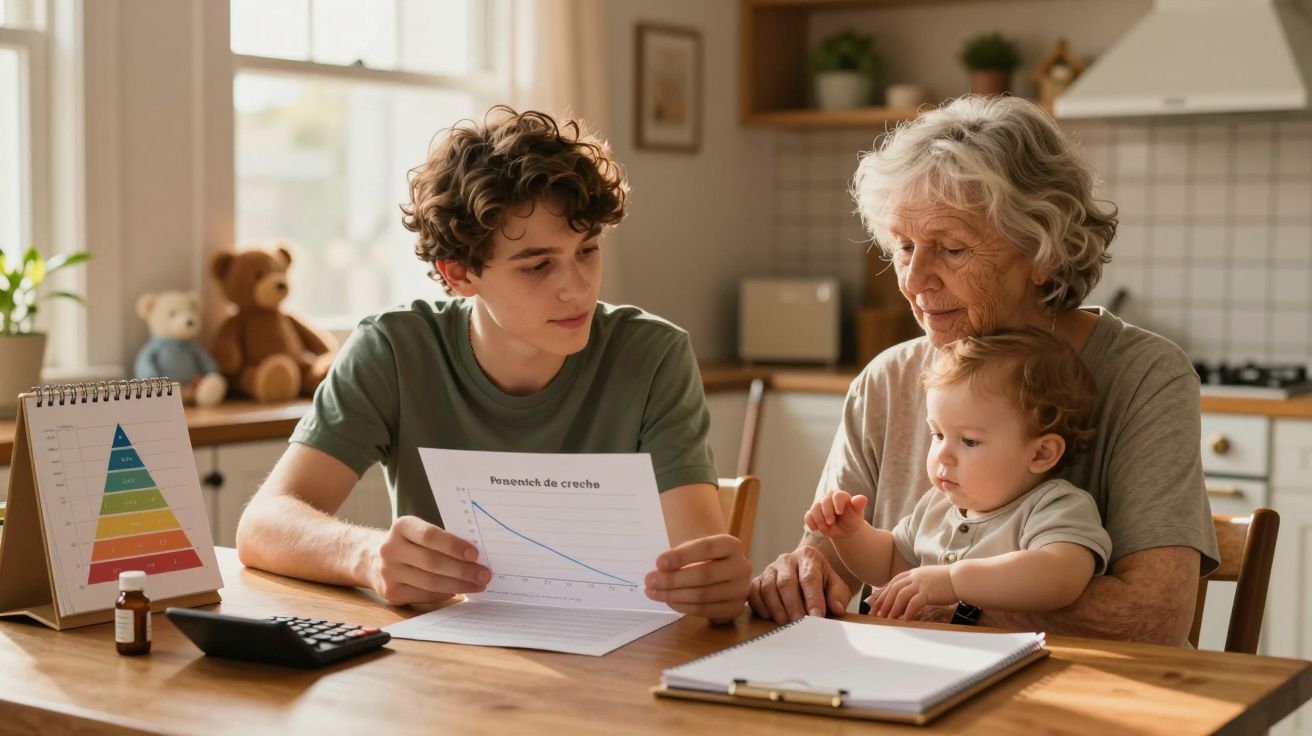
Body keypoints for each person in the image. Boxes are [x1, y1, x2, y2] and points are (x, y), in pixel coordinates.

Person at [236, 106, 751, 623]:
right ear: (459, 274)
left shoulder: (654, 356)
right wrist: (365, 556)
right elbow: (263, 524)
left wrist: (716, 583)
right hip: (446, 671)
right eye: (537, 265)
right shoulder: (393, 350)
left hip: (617, 669)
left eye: (587, 250)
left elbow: (701, 565)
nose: (577, 288)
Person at [748, 95, 1219, 644]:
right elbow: (826, 570)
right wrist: (792, 576)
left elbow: (1152, 618)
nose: (914, 279)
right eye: (903, 247)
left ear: (1043, 252)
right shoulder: (888, 379)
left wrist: (955, 604)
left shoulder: (1144, 375)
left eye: (950, 249)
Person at [806, 327, 1111, 622]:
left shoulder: (1055, 506)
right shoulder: (936, 506)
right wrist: (852, 534)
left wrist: (953, 581)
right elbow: (888, 564)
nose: (942, 455)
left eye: (969, 440)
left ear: (1041, 453)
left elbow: (1058, 577)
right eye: (937, 434)